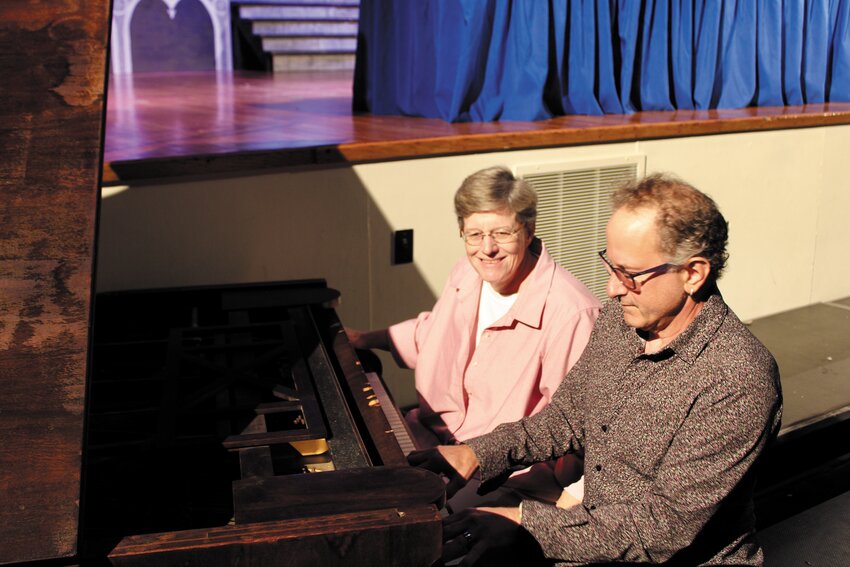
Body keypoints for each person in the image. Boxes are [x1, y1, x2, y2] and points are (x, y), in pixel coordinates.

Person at [409, 173, 783, 566]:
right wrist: (475, 454)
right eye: (610, 265)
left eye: (630, 274)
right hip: (596, 543)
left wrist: (524, 524)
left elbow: (659, 530)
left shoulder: (738, 378)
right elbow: (568, 417)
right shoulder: (620, 321)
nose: (612, 288)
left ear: (693, 273)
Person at [347, 165, 600, 508]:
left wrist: (569, 508)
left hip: (501, 475)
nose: (487, 248)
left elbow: (575, 424)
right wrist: (363, 339)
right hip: (430, 439)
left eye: (502, 233)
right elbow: (433, 334)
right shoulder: (467, 272)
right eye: (474, 235)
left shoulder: (571, 312)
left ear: (528, 230)